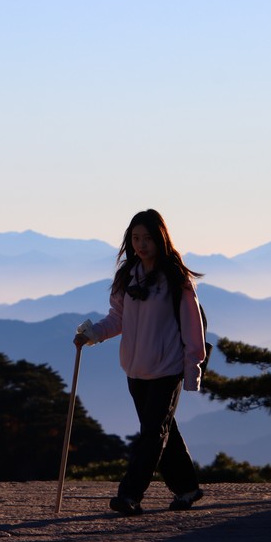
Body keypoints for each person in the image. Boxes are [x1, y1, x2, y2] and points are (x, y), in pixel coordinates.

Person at [74, 209, 206, 516]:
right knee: (162, 430)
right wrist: (92, 335)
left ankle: (130, 495)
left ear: (161, 239)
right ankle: (188, 488)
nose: (141, 245)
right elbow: (117, 318)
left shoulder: (176, 279)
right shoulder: (127, 276)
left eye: (147, 238)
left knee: (152, 434)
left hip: (167, 368)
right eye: (135, 238)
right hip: (135, 369)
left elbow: (193, 327)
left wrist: (192, 370)